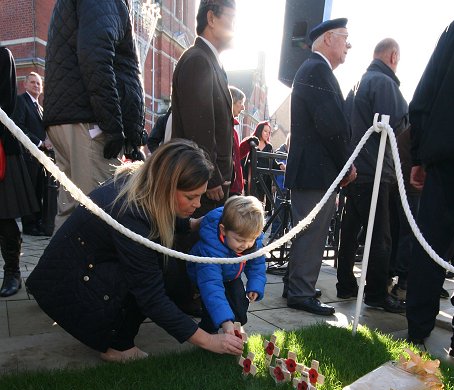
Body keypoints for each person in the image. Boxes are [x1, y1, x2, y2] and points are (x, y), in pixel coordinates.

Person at [25, 140, 244, 362]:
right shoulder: (132, 215)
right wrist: (209, 341)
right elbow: (152, 297)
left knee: (156, 267)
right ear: (167, 186)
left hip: (82, 267)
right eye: (190, 197)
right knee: (149, 273)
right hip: (68, 284)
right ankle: (118, 344)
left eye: (200, 196)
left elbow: (161, 213)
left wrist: (193, 224)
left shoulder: (144, 184)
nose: (197, 204)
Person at [43, 0, 145, 230]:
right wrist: (113, 126)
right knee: (98, 217)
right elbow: (96, 56)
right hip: (90, 121)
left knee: (73, 212)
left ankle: (63, 266)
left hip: (73, 117)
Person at [284, 18, 356, 316]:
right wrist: (346, 164)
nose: (348, 45)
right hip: (317, 170)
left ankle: (297, 284)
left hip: (312, 169)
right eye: (345, 38)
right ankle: (300, 290)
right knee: (312, 231)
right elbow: (331, 125)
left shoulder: (313, 69)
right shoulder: (318, 69)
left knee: (308, 230)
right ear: (328, 39)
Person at [336, 38, 408, 313]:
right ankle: (376, 293)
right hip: (375, 171)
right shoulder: (384, 83)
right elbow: (395, 126)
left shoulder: (359, 83)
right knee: (380, 236)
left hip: (357, 170)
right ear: (392, 56)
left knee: (351, 232)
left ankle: (345, 283)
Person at [406, 16, 454, 356]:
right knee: (430, 248)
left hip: (445, 156)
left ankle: (417, 331)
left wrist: (419, 155)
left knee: (431, 248)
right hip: (444, 157)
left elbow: (423, 98)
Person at [171, 0, 235, 217]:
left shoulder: (209, 61)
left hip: (209, 185)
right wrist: (212, 178)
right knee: (195, 248)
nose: (235, 27)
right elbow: (198, 129)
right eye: (231, 18)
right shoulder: (198, 60)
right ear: (211, 19)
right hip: (202, 186)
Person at [187, 195, 266, 333]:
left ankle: (236, 326)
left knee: (239, 303)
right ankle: (208, 331)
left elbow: (256, 264)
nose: (245, 245)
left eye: (251, 239)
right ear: (223, 230)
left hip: (231, 275)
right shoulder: (210, 250)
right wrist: (225, 321)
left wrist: (255, 285)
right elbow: (212, 287)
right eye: (239, 240)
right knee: (213, 307)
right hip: (206, 277)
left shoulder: (251, 239)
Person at [0, 47, 39, 297]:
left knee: (3, 217)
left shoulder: (3, 56)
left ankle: (12, 272)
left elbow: (6, 102)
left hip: (1, 147)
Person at [12, 72, 53, 237]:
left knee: (39, 190)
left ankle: (37, 223)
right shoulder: (21, 101)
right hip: (28, 154)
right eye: (33, 83)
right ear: (25, 84)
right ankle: (29, 226)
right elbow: (18, 125)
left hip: (40, 156)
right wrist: (40, 143)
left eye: (38, 83)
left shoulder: (40, 107)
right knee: (29, 191)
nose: (36, 85)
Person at [229, 85, 252, 197]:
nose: (243, 107)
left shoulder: (232, 129)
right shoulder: (225, 128)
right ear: (231, 101)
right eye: (240, 103)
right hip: (229, 186)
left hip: (234, 186)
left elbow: (236, 156)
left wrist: (247, 144)